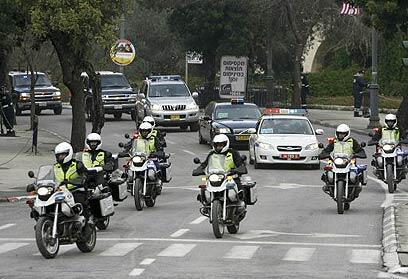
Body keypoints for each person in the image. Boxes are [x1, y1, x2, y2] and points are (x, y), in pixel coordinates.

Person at [193, 134, 247, 209]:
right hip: (215, 176)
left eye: (221, 145)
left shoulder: (233, 153)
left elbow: (240, 165)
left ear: (226, 144)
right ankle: (206, 204)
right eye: (217, 145)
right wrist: (198, 170)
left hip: (230, 176)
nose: (219, 147)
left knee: (239, 187)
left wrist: (239, 169)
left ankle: (241, 204)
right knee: (204, 186)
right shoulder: (212, 154)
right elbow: (204, 164)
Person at [319, 124, 367, 195]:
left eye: (343, 134)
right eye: (339, 134)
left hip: (349, 162)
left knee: (354, 175)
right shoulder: (334, 141)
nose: (340, 135)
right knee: (328, 172)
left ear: (347, 134)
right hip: (336, 162)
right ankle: (328, 185)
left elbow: (360, 150)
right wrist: (323, 154)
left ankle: (356, 186)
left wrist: (358, 154)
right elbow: (327, 150)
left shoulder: (352, 141)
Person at [53, 142, 90, 219]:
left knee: (80, 203)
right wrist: (37, 184)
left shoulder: (77, 165)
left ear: (68, 154)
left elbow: (84, 175)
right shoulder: (55, 167)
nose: (60, 157)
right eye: (58, 155)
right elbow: (47, 177)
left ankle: (85, 224)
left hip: (75, 190)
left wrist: (78, 181)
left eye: (62, 155)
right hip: (60, 192)